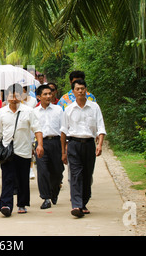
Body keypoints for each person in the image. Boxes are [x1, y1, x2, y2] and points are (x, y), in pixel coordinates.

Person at [0, 83, 44, 217]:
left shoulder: (28, 111)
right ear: (7, 96)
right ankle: (6, 205)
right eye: (11, 94)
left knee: (22, 179)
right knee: (7, 178)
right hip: (7, 151)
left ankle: (22, 204)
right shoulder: (2, 112)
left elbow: (37, 129)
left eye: (17, 94)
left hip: (24, 150)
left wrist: (40, 145)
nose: (14, 97)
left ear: (22, 96)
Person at [60, 79, 106, 218]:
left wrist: (99, 145)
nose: (80, 91)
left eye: (82, 88)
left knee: (87, 174)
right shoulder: (68, 110)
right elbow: (63, 131)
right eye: (77, 89)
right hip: (73, 144)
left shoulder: (94, 107)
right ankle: (76, 205)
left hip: (89, 144)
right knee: (75, 174)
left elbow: (101, 127)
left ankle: (83, 202)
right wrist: (63, 151)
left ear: (86, 90)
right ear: (73, 92)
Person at [33, 85, 65, 209]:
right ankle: (45, 198)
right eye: (45, 94)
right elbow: (32, 130)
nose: (48, 96)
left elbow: (63, 130)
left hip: (56, 142)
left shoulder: (58, 110)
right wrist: (33, 145)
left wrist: (64, 148)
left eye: (50, 94)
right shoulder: (34, 112)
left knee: (57, 171)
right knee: (42, 171)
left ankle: (54, 190)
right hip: (41, 144)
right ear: (39, 97)